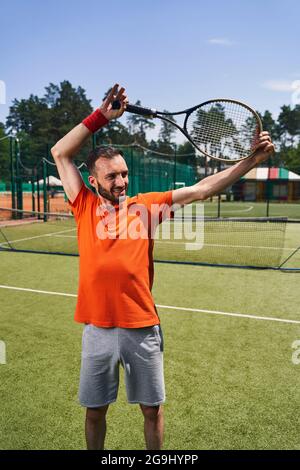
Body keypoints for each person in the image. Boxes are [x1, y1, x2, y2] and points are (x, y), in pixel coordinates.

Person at [51, 84, 274, 450]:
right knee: (94, 412)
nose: (121, 182)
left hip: (141, 328)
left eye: (124, 174)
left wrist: (249, 161)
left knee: (152, 411)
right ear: (93, 181)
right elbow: (60, 151)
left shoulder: (146, 206)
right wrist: (100, 118)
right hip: (97, 331)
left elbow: (202, 189)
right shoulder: (84, 206)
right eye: (112, 177)